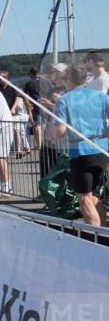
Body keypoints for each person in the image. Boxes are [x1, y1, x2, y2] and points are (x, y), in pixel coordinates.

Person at [53, 65, 109, 227]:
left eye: (64, 78)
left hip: (81, 152)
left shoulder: (64, 101)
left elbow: (59, 132)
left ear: (68, 80)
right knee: (92, 195)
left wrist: (53, 120)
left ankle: (95, 237)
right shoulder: (101, 96)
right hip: (102, 149)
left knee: (84, 197)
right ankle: (104, 231)